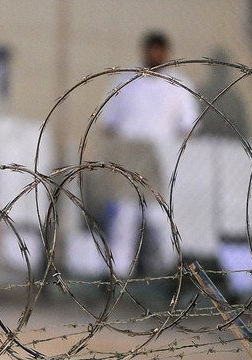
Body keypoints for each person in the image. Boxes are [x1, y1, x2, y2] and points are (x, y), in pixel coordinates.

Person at [95, 32, 199, 280]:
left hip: (162, 156)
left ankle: (166, 272)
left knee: (159, 215)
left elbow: (189, 127)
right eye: (151, 50)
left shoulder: (179, 85)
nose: (155, 55)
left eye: (159, 50)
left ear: (166, 52)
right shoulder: (126, 81)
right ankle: (118, 272)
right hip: (129, 154)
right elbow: (108, 123)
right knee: (125, 214)